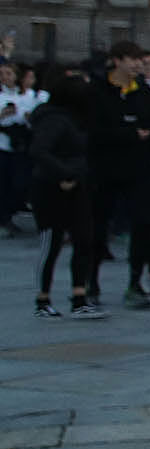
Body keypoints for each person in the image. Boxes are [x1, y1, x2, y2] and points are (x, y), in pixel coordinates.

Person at [89, 41, 150, 309]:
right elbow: (93, 130)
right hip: (104, 168)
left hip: (138, 168)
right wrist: (130, 133)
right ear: (117, 61)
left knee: (144, 222)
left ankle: (135, 281)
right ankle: (90, 281)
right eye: (132, 59)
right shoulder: (97, 90)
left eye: (139, 60)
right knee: (97, 225)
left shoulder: (143, 91)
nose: (137, 65)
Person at [30, 69, 100, 319]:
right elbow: (39, 150)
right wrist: (64, 174)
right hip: (51, 188)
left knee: (84, 239)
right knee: (51, 242)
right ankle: (42, 299)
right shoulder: (55, 120)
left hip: (76, 185)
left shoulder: (76, 120)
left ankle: (79, 297)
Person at [0, 58, 42, 232]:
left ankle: (11, 211)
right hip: (2, 144)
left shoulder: (27, 96)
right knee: (3, 183)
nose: (4, 77)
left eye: (8, 74)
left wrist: (28, 118)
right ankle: (4, 219)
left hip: (20, 145)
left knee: (18, 183)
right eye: (1, 74)